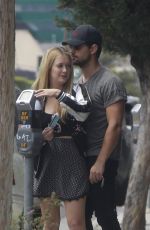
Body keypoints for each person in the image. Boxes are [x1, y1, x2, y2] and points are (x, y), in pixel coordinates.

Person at [61, 25, 127, 230]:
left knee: (105, 215)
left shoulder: (110, 82)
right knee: (82, 217)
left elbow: (115, 125)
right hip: (80, 159)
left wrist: (100, 162)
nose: (72, 52)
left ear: (93, 49)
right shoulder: (77, 84)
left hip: (101, 159)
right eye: (70, 47)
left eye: (77, 47)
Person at [32, 46, 91, 230]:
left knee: (75, 223)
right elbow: (23, 133)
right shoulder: (35, 95)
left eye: (68, 66)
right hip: (47, 160)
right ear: (48, 68)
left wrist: (58, 93)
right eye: (60, 66)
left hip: (72, 159)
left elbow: (84, 112)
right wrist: (41, 138)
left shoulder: (76, 91)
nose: (65, 70)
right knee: (50, 224)